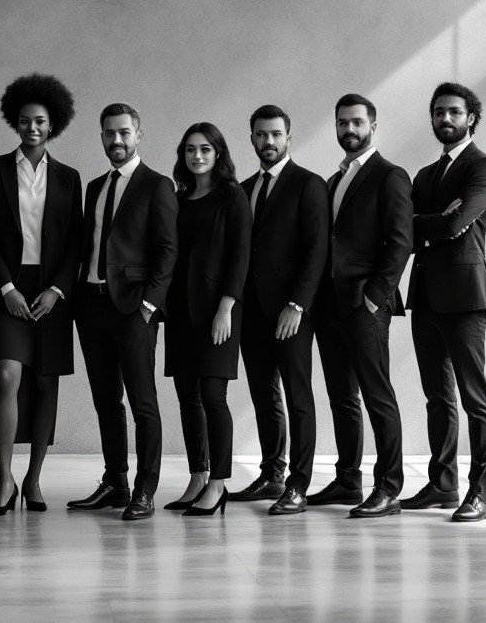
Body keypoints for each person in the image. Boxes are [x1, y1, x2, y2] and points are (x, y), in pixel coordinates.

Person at [0, 74, 84, 517]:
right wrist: (5, 288)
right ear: (14, 123)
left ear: (52, 123)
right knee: (6, 375)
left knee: (44, 382)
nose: (32, 128)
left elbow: (77, 241)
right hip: (7, 286)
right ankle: (4, 481)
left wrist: (57, 290)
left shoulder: (69, 177)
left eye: (40, 121)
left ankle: (34, 479)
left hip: (52, 289)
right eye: (24, 121)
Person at [67, 103, 178, 521]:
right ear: (101, 137)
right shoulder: (95, 186)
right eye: (109, 133)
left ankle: (144, 490)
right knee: (105, 401)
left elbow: (168, 251)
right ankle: (115, 482)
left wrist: (150, 304)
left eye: (124, 133)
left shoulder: (157, 185)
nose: (117, 140)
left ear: (138, 134)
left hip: (134, 308)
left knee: (142, 402)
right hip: (91, 305)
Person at [399, 82, 486, 523]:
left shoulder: (484, 166)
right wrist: (433, 223)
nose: (445, 119)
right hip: (425, 295)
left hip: (464, 296)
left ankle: (479, 492)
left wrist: (436, 222)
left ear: (471, 117)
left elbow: (457, 222)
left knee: (473, 397)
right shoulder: (424, 175)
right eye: (439, 112)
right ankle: (442, 483)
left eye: (454, 112)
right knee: (436, 397)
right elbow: (403, 229)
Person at [310, 93, 413, 519]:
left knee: (377, 395)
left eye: (356, 122)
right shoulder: (335, 180)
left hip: (366, 303)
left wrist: (375, 297)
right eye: (341, 123)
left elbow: (401, 241)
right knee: (341, 397)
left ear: (373, 125)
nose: (348, 130)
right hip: (331, 304)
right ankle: (348, 478)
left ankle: (389, 487)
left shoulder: (390, 175)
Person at [228, 105, 328, 516]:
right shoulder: (244, 187)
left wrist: (298, 305)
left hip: (291, 312)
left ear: (288, 136)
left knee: (298, 396)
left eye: (275, 134)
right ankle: (272, 473)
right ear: (251, 138)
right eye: (260, 135)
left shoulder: (309, 184)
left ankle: (298, 485)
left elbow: (316, 249)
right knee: (263, 394)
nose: (268, 142)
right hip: (250, 312)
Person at [163, 122, 251, 517]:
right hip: (181, 310)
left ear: (218, 154)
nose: (197, 156)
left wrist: (226, 307)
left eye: (205, 149)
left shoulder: (232, 196)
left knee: (214, 397)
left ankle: (218, 483)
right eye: (190, 150)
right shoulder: (179, 198)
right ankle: (198, 477)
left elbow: (240, 254)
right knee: (188, 398)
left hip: (219, 311)